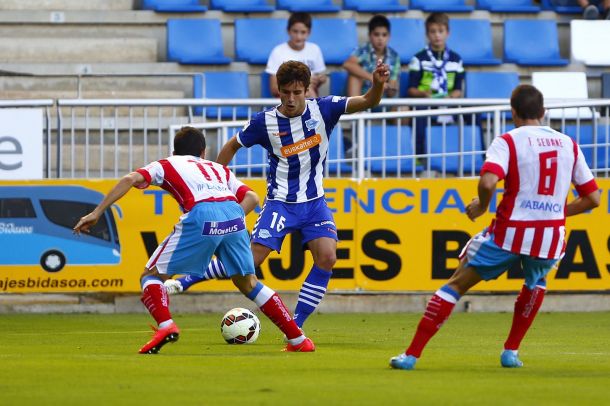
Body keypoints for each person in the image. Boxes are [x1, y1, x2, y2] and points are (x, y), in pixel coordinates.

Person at [166, 60, 390, 332]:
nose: (292, 99)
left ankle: (296, 325)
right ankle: (188, 279)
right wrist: (217, 183)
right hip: (280, 204)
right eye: (286, 92)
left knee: (328, 257)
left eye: (297, 92)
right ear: (279, 91)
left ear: (308, 90)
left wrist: (377, 84)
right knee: (246, 264)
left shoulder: (325, 109)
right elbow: (232, 145)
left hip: (314, 203)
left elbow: (368, 100)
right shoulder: (265, 122)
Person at [390, 84, 601, 370]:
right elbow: (593, 198)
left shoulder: (508, 141)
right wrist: (556, 212)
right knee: (535, 282)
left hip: (510, 232)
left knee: (456, 282)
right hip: (550, 236)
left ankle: (411, 355)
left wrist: (481, 205)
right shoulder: (569, 144)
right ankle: (511, 352)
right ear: (543, 112)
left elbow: (489, 181)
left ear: (513, 112)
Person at [73, 126, 315, 354]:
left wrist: (96, 213)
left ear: (174, 151)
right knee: (248, 283)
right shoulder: (218, 168)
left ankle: (166, 325)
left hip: (201, 213)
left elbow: (130, 179)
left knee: (151, 276)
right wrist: (228, 220)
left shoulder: (167, 164)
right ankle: (298, 340)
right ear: (203, 152)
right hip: (234, 213)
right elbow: (252, 197)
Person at [408, 12, 465, 156]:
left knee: (474, 115)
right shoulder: (418, 58)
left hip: (449, 103)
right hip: (426, 102)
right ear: (427, 34)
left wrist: (452, 97)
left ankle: (479, 156)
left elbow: (459, 89)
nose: (437, 35)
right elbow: (411, 89)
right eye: (433, 32)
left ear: (448, 33)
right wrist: (424, 94)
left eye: (441, 31)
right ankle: (420, 156)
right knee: (419, 115)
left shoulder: (456, 59)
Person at [266, 12, 327, 98]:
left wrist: (319, 80)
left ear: (309, 32)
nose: (299, 37)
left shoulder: (315, 49)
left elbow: (320, 78)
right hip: (287, 102)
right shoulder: (278, 51)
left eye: (303, 32)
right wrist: (301, 84)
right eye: (295, 31)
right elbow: (274, 88)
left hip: (309, 97)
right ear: (288, 31)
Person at [343, 14, 400, 98]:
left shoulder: (394, 56)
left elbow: (392, 87)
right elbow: (347, 64)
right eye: (376, 34)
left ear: (389, 36)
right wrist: (374, 79)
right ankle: (356, 111)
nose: (380, 38)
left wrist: (391, 87)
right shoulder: (362, 50)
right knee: (354, 77)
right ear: (369, 35)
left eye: (384, 35)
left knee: (404, 107)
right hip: (363, 96)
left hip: (382, 96)